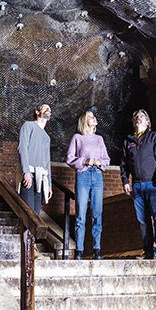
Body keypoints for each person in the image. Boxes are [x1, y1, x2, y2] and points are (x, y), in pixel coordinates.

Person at [120, 109, 156, 259]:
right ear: (133, 122)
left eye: (142, 116)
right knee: (143, 222)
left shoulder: (154, 137)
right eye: (136, 117)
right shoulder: (128, 141)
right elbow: (124, 164)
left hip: (153, 185)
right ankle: (148, 252)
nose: (138, 118)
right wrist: (125, 181)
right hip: (137, 186)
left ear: (147, 122)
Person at [66, 110, 109, 259]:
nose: (94, 118)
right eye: (90, 116)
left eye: (94, 116)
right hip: (83, 176)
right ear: (84, 121)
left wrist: (99, 163)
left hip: (97, 176)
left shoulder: (99, 139)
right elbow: (69, 158)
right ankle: (79, 250)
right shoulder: (78, 138)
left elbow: (106, 159)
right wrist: (84, 161)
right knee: (81, 214)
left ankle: (97, 250)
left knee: (97, 213)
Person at [18, 104, 52, 214]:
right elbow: (22, 148)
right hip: (29, 175)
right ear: (37, 112)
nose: (48, 109)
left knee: (36, 214)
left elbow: (47, 161)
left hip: (41, 178)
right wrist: (26, 171)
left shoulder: (47, 137)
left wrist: (49, 185)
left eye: (49, 109)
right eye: (45, 107)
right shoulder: (28, 125)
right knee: (28, 213)